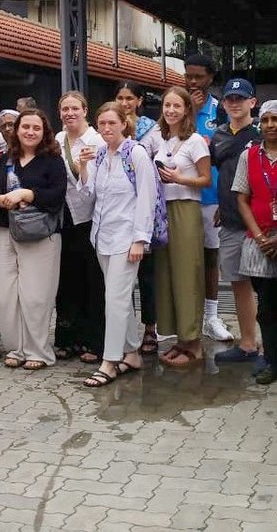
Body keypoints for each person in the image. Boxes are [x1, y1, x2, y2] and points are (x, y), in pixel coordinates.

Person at [78, 102, 156, 387]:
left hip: (127, 238)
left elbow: (147, 198)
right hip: (102, 236)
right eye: (102, 124)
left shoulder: (136, 154)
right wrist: (83, 169)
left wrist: (140, 239)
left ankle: (110, 361)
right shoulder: (99, 156)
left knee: (116, 299)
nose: (107, 129)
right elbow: (90, 196)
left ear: (124, 123)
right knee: (118, 299)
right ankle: (132, 353)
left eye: (112, 123)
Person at [0, 109, 66, 370]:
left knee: (36, 296)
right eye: (25, 127)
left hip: (39, 235)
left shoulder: (52, 161)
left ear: (44, 132)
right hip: (3, 232)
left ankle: (38, 351)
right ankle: (15, 348)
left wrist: (28, 194)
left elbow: (56, 195)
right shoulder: (4, 158)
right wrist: (0, 200)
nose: (30, 132)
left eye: (36, 128)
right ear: (16, 130)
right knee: (7, 295)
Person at [233, 101, 277, 385]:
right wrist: (261, 237)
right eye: (265, 120)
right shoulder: (248, 156)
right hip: (259, 242)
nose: (270, 125)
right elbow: (241, 198)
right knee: (265, 306)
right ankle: (272, 362)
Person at [140, 86, 212, 366]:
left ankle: (194, 344)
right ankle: (180, 340)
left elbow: (206, 179)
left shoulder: (195, 141)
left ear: (186, 110)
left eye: (176, 106)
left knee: (187, 273)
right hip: (162, 210)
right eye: (167, 106)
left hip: (185, 208)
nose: (170, 111)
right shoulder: (159, 137)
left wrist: (180, 179)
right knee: (166, 275)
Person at [210, 78, 263, 361]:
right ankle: (247, 343)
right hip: (230, 222)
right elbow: (222, 173)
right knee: (238, 283)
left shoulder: (263, 134)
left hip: (260, 223)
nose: (234, 103)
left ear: (252, 102)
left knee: (266, 286)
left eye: (240, 98)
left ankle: (275, 348)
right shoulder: (218, 136)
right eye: (229, 98)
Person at [183, 54, 233, 343]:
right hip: (180, 197)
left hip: (212, 197)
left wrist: (226, 200)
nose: (192, 82)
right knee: (186, 260)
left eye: (198, 76)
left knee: (211, 258)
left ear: (210, 78)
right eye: (188, 76)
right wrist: (190, 112)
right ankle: (187, 318)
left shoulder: (222, 111)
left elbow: (229, 156)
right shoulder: (175, 108)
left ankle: (211, 317)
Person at [53, 91, 106, 364]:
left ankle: (93, 340)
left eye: (75, 108)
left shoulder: (97, 141)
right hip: (62, 219)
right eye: (65, 109)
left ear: (85, 110)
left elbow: (96, 185)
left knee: (92, 283)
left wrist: (81, 166)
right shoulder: (57, 140)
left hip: (90, 219)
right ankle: (66, 339)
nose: (69, 113)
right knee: (66, 283)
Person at [115, 80, 160, 353]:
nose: (124, 103)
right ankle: (126, 329)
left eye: (129, 98)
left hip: (145, 208)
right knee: (122, 278)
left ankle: (150, 328)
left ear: (139, 101)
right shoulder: (108, 126)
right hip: (118, 213)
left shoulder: (151, 130)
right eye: (120, 97)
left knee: (146, 275)